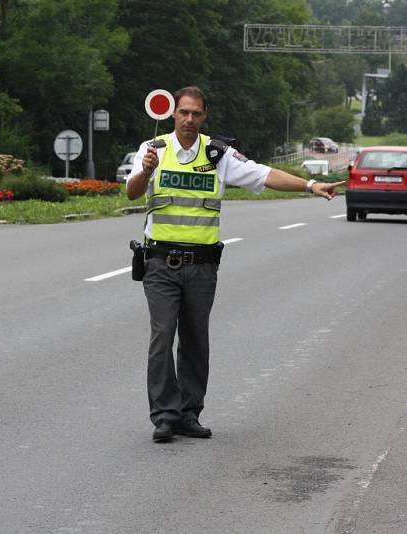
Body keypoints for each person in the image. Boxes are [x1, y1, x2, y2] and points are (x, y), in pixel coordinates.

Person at [126, 86, 343, 443]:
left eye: (196, 113)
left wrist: (310, 185)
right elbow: (133, 192)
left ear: (204, 116)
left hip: (202, 266)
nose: (189, 119)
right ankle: (165, 416)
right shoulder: (153, 151)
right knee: (162, 338)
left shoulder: (217, 154)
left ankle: (188, 414)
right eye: (184, 113)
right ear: (173, 114)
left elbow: (263, 174)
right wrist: (144, 172)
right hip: (161, 262)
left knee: (196, 340)